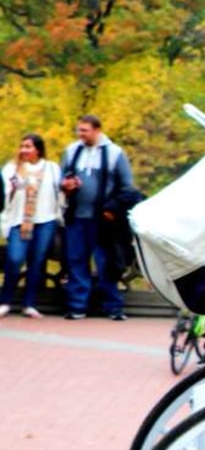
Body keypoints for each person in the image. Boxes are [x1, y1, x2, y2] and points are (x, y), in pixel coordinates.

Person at [59, 115, 135, 320]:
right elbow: (62, 176)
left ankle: (113, 307)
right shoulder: (72, 151)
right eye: (79, 130)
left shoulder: (114, 153)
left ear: (97, 130)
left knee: (106, 262)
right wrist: (66, 185)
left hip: (103, 219)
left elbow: (127, 187)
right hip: (76, 216)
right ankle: (77, 306)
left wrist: (112, 209)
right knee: (76, 261)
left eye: (84, 130)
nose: (80, 134)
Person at [1, 134, 60, 318]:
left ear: (38, 149)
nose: (24, 150)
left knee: (37, 261)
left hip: (45, 220)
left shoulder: (52, 168)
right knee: (15, 259)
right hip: (19, 221)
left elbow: (59, 191)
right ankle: (5, 301)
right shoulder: (12, 168)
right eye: (22, 146)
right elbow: (6, 193)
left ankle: (29, 303)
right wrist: (15, 186)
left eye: (28, 146)